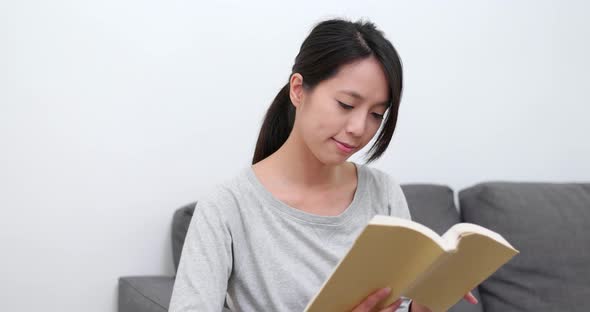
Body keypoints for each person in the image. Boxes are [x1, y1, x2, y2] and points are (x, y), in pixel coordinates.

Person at [168, 18, 478, 312]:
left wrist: (425, 305)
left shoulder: (383, 193)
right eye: (346, 104)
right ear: (298, 90)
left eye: (376, 115)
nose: (359, 128)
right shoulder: (226, 208)